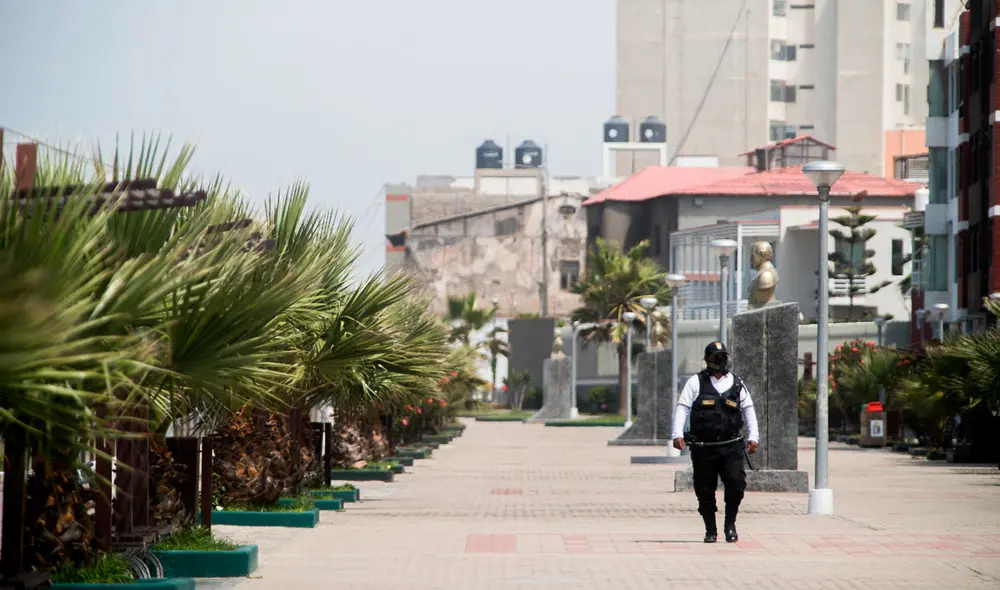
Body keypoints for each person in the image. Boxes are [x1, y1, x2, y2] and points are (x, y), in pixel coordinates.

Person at [672, 341, 759, 543]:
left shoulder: (737, 384)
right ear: (707, 360)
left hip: (731, 446)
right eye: (716, 357)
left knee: (736, 484)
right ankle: (710, 529)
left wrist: (754, 437)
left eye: (723, 357)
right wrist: (677, 434)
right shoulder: (696, 382)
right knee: (704, 489)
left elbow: (748, 410)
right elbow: (683, 407)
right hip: (704, 448)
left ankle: (730, 524)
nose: (720, 361)